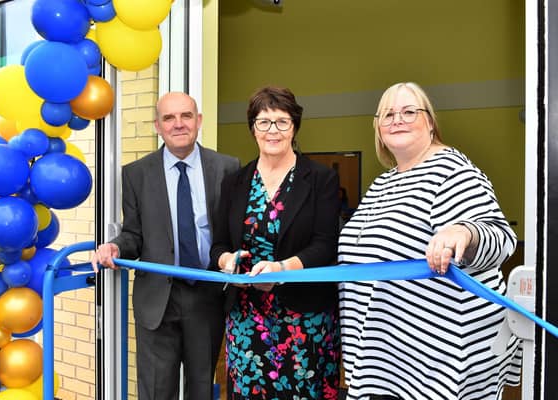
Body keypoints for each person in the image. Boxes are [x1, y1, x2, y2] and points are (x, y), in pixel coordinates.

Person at [337, 82, 522, 400]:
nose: (397, 119)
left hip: (438, 364)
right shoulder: (384, 183)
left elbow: (501, 238)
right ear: (378, 129)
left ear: (431, 122)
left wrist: (463, 232)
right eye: (388, 114)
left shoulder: (451, 171)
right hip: (385, 359)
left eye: (410, 111)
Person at [92, 92, 240, 400]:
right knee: (158, 391)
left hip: (207, 294)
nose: (178, 124)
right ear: (157, 126)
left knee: (202, 388)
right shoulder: (135, 174)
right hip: (157, 299)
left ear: (198, 121)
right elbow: (134, 233)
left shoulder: (227, 167)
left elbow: (233, 231)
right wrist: (116, 247)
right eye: (169, 118)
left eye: (186, 116)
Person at [210, 86, 341, 400]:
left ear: (294, 127)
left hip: (304, 319)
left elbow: (325, 245)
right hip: (246, 320)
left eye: (282, 122)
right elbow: (217, 244)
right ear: (252, 128)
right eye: (264, 122)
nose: (273, 130)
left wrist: (282, 269)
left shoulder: (320, 179)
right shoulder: (234, 182)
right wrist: (227, 261)